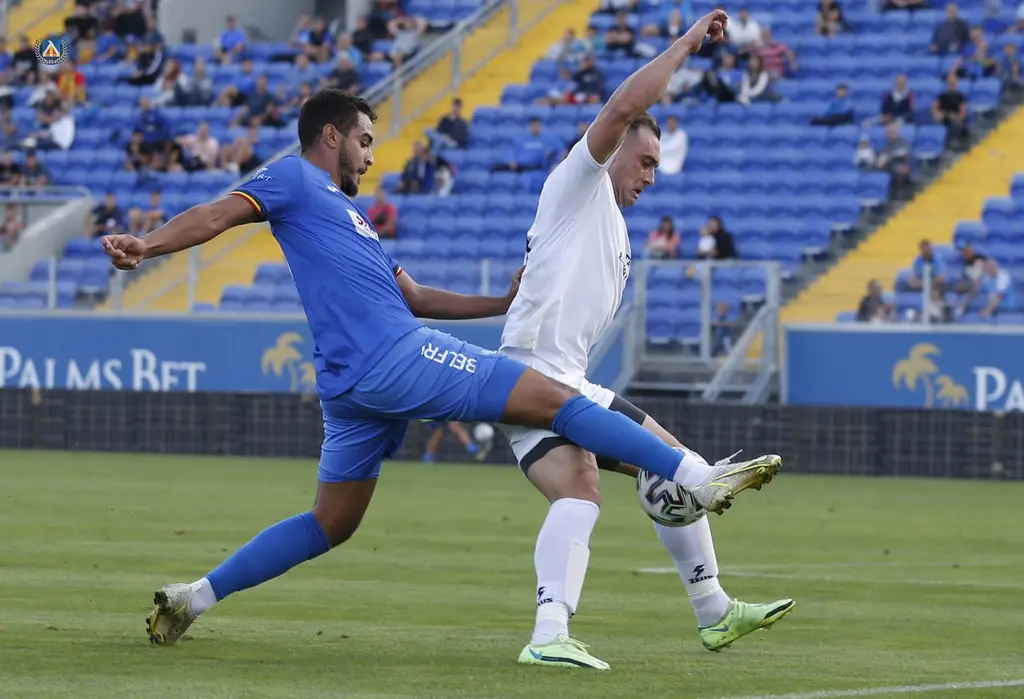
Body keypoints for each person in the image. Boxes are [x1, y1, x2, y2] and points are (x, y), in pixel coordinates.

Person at [100, 86, 779, 648]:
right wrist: (148, 244)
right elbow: (218, 214)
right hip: (393, 357)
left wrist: (500, 302)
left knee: (331, 522)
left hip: (351, 385)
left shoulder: (350, 218)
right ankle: (696, 474)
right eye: (364, 141)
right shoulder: (292, 177)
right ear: (330, 137)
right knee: (555, 400)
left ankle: (194, 596)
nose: (371, 155)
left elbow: (417, 295)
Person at [498, 11, 788, 670]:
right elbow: (625, 105)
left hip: (563, 380)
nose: (652, 175)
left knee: (649, 469)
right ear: (614, 149)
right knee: (615, 480)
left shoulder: (614, 229)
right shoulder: (580, 181)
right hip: (531, 377)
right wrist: (686, 44)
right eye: (646, 160)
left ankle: (709, 611)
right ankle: (555, 633)